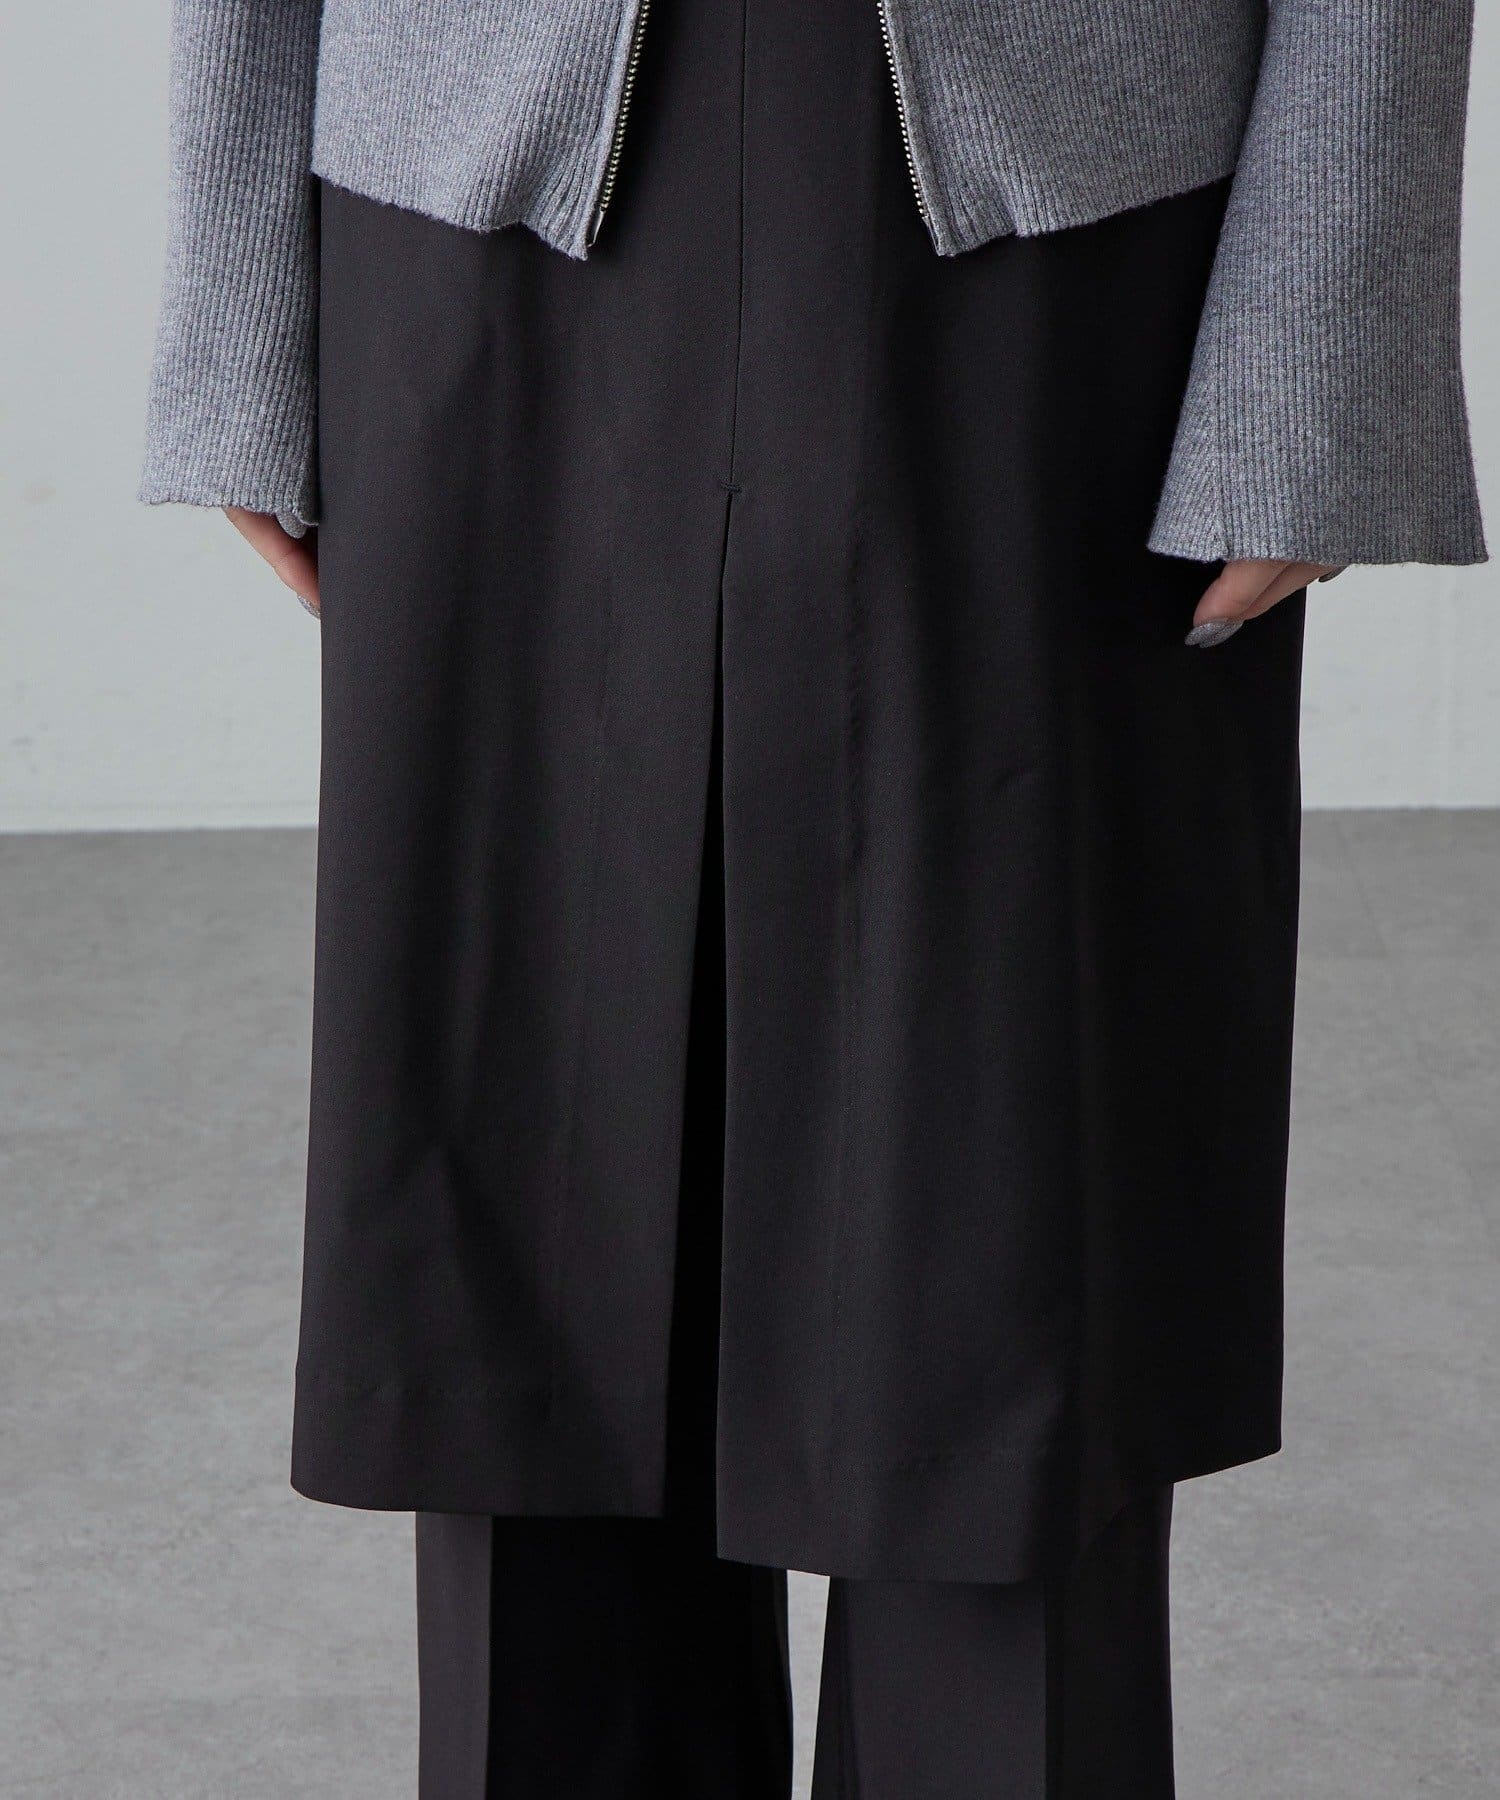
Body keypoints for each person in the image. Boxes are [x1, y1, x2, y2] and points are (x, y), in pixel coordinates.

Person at [141, 1, 1485, 1794]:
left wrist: (1321, 349)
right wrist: (234, 317)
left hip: (1067, 237)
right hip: (466, 208)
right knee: (530, 1250)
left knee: (999, 1268)